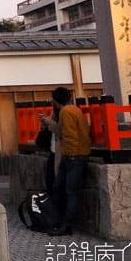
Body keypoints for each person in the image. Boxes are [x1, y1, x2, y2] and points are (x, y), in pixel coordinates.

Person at [44, 86, 91, 236]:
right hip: (74, 154)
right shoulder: (74, 109)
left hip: (74, 156)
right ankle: (59, 220)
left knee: (70, 191)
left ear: (55, 100)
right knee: (59, 187)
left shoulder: (66, 112)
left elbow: (70, 135)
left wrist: (70, 154)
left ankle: (66, 224)